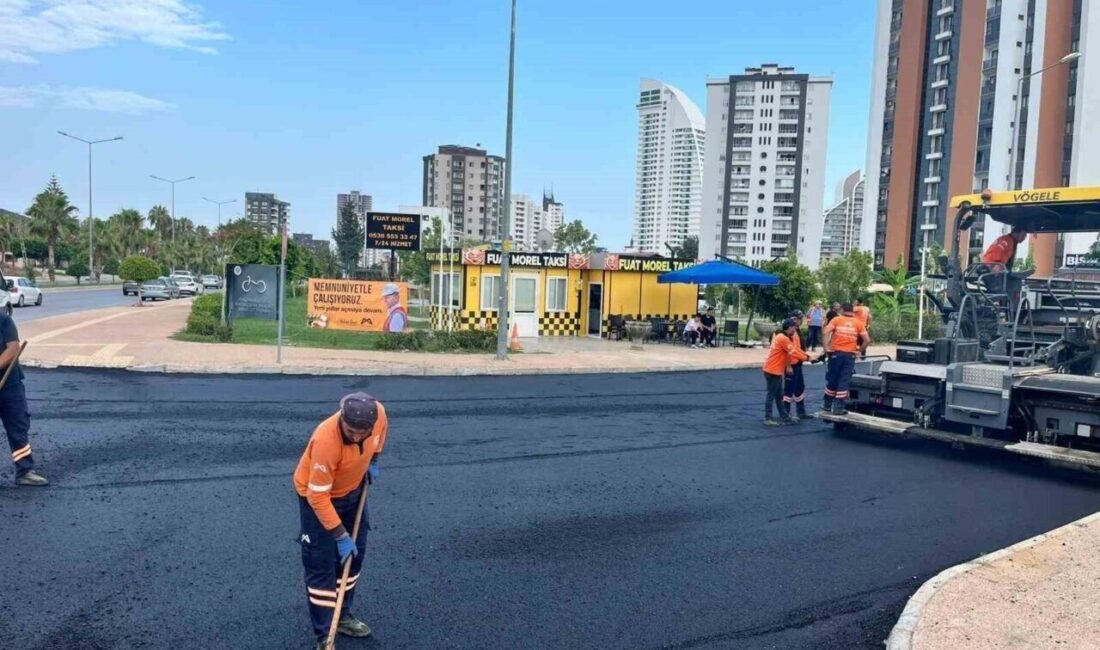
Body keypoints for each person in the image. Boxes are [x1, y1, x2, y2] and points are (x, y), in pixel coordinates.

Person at [294, 393, 388, 649]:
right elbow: (318, 497)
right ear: (342, 419)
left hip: (354, 490)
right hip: (318, 498)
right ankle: (325, 634)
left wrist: (373, 460)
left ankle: (342, 615)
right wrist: (341, 535)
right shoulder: (326, 440)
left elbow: (379, 437)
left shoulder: (378, 414)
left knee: (354, 558)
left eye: (363, 432)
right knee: (321, 563)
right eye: (351, 431)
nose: (357, 437)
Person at [0, 311, 46, 487]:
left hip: (10, 386)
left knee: (18, 428)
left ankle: (25, 471)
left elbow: (12, 349)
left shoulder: (3, 320)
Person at [822, 303, 871, 415]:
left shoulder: (836, 320)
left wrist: (826, 348)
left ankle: (827, 405)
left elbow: (825, 332)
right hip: (850, 355)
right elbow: (867, 340)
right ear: (852, 311)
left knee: (832, 378)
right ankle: (838, 408)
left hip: (836, 354)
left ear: (842, 310)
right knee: (844, 380)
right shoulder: (858, 323)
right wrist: (859, 351)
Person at [763, 319, 801, 426]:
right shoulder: (783, 338)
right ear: (789, 327)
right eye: (794, 327)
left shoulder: (781, 337)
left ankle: (784, 415)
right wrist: (809, 357)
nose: (795, 328)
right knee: (771, 394)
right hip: (772, 371)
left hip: (774, 370)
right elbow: (794, 352)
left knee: (779, 395)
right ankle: (768, 418)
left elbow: (789, 353)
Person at [783, 311, 811, 421]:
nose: (802, 320)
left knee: (800, 388)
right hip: (792, 365)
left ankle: (801, 412)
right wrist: (788, 366)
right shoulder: (789, 334)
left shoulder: (797, 331)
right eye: (800, 318)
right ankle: (786, 414)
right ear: (794, 319)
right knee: (789, 390)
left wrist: (807, 357)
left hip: (798, 363)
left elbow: (799, 348)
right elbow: (787, 351)